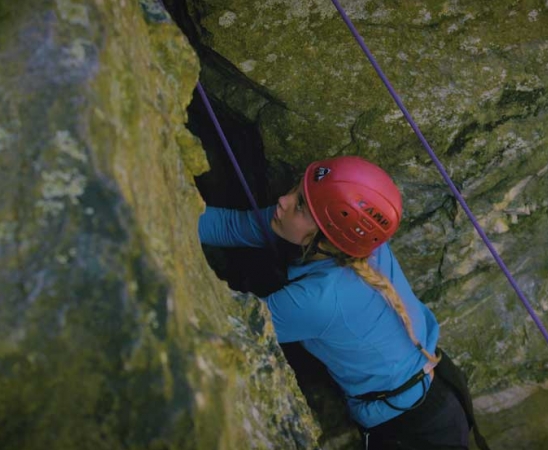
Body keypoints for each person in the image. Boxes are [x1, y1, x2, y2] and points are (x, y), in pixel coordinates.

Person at [198, 156, 486, 450]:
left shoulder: (317, 301)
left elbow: (231, 326)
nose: (283, 200)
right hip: (436, 390)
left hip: (414, 428)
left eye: (300, 205)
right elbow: (233, 226)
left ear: (326, 238)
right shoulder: (357, 239)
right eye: (298, 191)